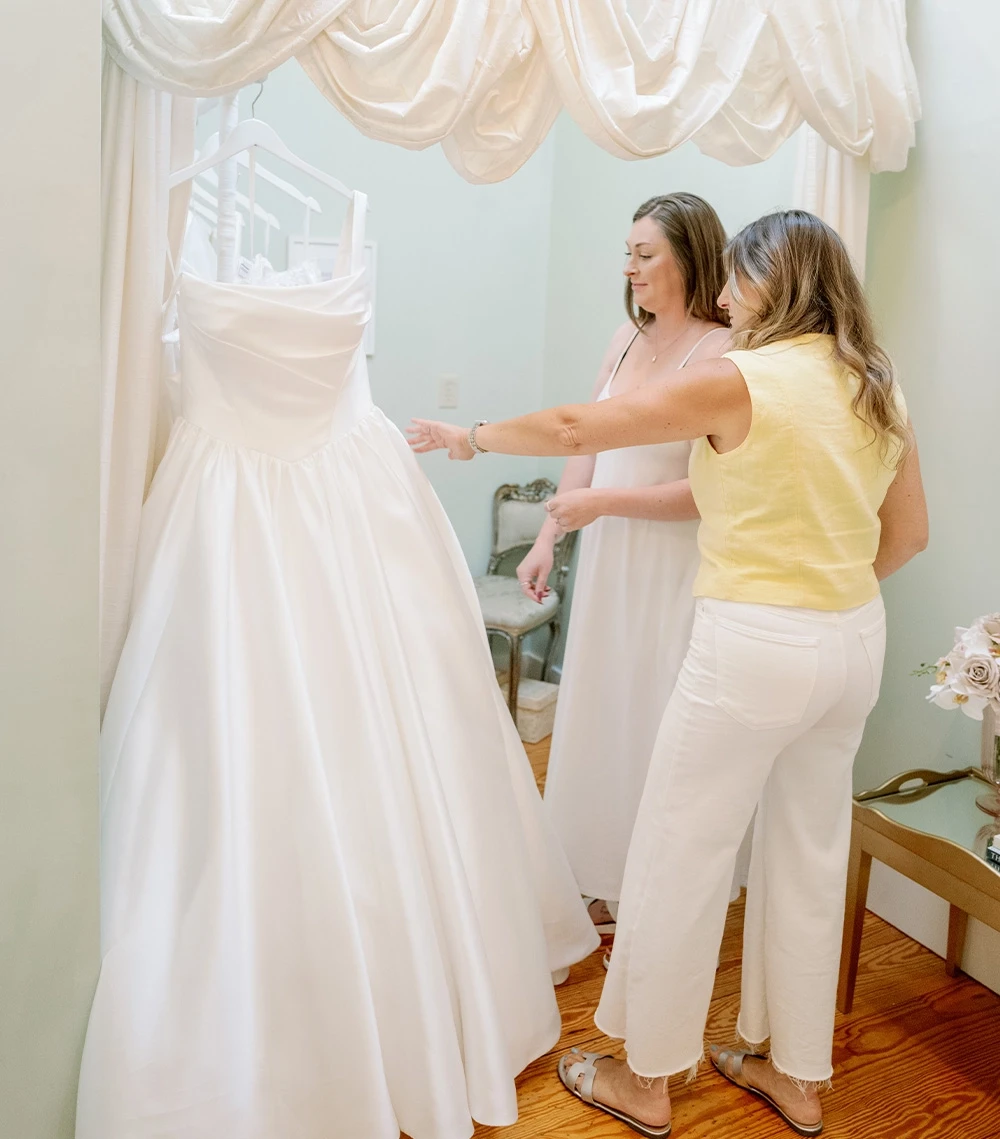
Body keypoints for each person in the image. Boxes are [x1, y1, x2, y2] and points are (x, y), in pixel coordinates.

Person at [408, 209, 929, 1137]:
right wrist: (823, 598)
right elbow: (908, 537)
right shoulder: (875, 383)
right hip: (852, 643)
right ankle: (796, 1076)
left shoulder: (744, 378)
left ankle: (644, 1077)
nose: (723, 295)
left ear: (775, 281)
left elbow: (579, 423)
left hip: (753, 644)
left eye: (736, 279)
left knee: (676, 853)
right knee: (806, 853)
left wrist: (471, 436)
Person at [517, 193, 730, 935]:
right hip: (606, 554)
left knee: (652, 716)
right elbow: (587, 442)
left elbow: (709, 492)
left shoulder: (722, 354)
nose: (630, 268)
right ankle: (587, 869)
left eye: (646, 255)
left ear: (690, 257)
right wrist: (551, 537)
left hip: (672, 563)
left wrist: (603, 505)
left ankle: (646, 890)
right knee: (599, 709)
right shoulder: (623, 337)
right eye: (628, 253)